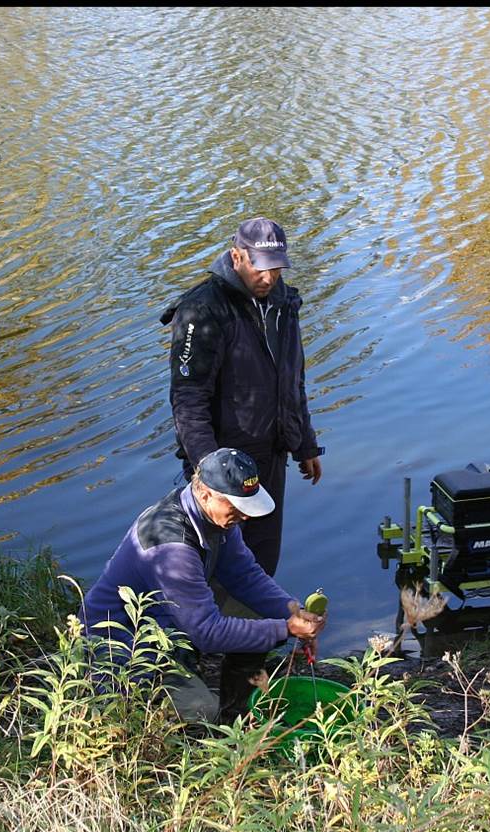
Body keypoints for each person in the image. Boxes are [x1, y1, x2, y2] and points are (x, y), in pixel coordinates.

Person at [160, 216, 326, 716]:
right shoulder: (202, 312)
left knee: (259, 574)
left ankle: (238, 696)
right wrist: (210, 472)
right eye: (261, 268)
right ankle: (175, 683)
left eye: (277, 268)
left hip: (269, 461)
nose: (269, 277)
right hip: (220, 474)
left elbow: (291, 379)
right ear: (237, 256)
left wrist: (306, 442)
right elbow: (188, 400)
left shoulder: (283, 303)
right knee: (205, 579)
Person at [81, 447, 326, 723]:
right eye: (237, 506)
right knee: (201, 710)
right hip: (123, 645)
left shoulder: (215, 517)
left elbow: (245, 574)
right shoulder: (173, 547)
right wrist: (285, 629)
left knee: (262, 616)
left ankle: (236, 713)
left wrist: (292, 611)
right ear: (207, 493)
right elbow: (206, 632)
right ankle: (185, 716)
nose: (245, 516)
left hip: (168, 625)